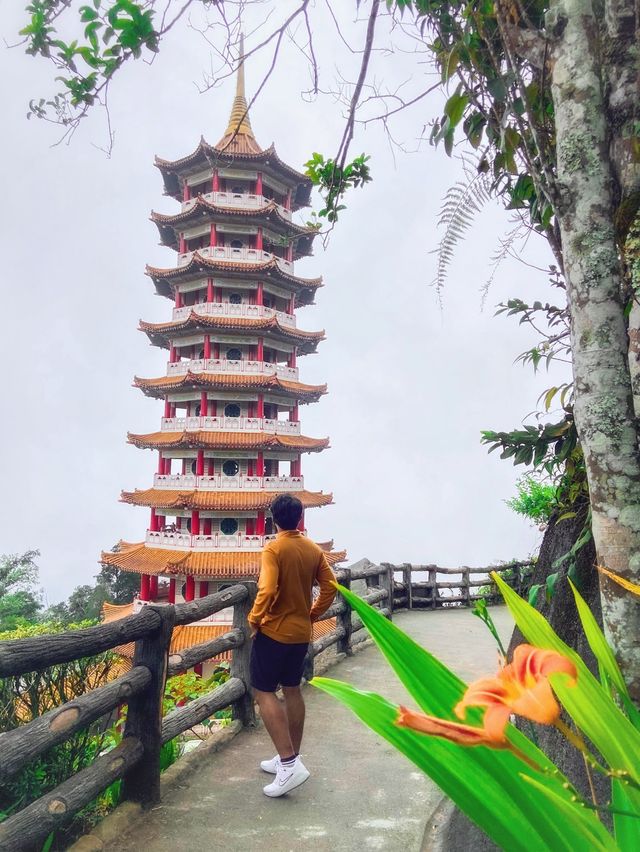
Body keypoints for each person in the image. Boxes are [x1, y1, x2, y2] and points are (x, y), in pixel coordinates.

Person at [248, 494, 336, 797]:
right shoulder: (313, 549)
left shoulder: (274, 549)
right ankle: (290, 758)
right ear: (299, 519)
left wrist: (255, 618)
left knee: (263, 691)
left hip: (274, 632)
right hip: (301, 633)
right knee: (292, 689)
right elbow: (330, 587)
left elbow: (268, 587)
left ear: (274, 519)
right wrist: (312, 613)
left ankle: (288, 763)